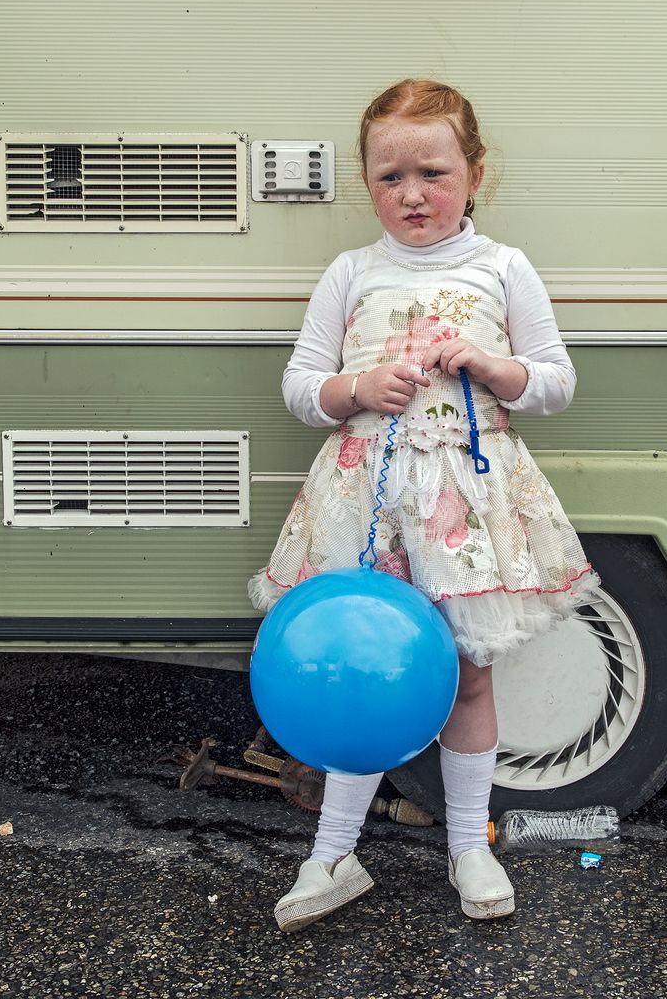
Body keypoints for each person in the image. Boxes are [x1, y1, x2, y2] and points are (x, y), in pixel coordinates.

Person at [249, 79, 598, 932]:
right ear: (367, 184)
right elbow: (300, 385)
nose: (413, 194)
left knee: (468, 674)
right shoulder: (352, 272)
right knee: (361, 668)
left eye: (433, 172)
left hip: (467, 504)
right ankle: (331, 853)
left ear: (474, 175)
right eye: (390, 177)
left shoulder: (501, 267)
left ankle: (469, 844)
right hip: (366, 495)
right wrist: (358, 385)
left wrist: (487, 363)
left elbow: (554, 382)